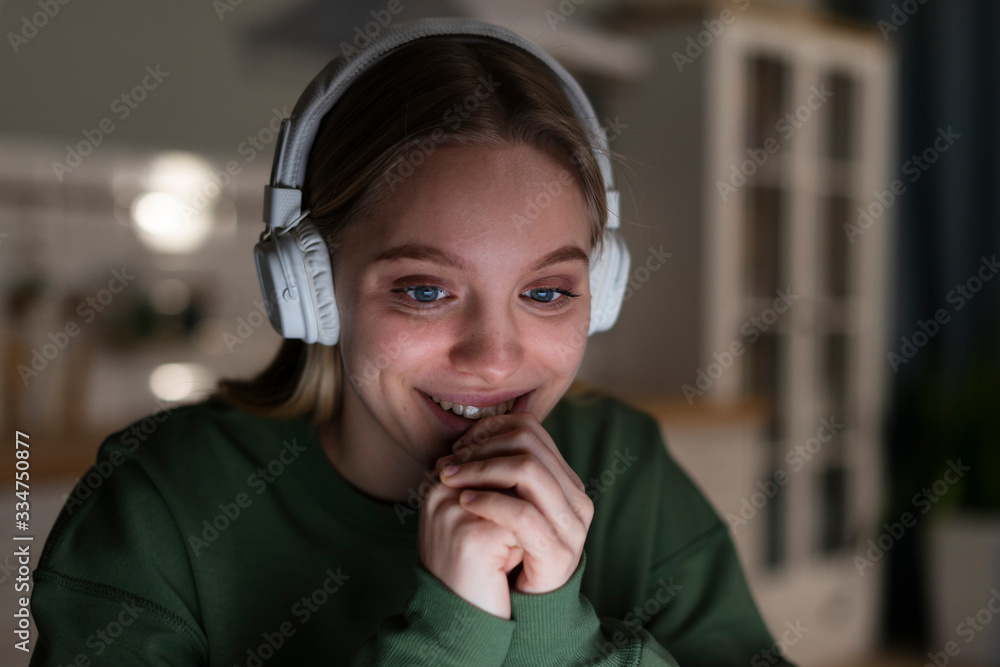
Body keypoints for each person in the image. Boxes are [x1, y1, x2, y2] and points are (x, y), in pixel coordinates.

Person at [29, 17, 794, 666]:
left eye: (548, 292)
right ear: (312, 289)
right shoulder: (154, 505)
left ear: (603, 292)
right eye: (425, 290)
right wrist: (450, 633)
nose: (494, 357)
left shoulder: (627, 470)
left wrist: (557, 628)